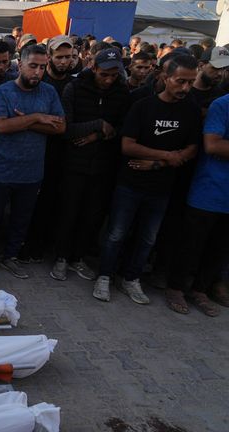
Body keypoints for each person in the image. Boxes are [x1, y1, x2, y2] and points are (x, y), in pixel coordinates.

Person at [93, 55, 200, 304]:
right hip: (130, 184)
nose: (185, 88)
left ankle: (131, 278)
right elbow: (128, 145)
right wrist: (167, 155)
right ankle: (105, 276)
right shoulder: (143, 106)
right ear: (165, 78)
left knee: (147, 238)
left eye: (190, 82)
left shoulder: (191, 110)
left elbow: (193, 148)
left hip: (162, 187)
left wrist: (158, 162)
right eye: (180, 81)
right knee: (116, 234)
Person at [0, 44, 65, 279]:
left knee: (21, 219)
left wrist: (23, 121)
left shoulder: (49, 92)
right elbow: (2, 126)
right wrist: (37, 118)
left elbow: (60, 127)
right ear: (20, 65)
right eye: (33, 66)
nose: (38, 72)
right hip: (0, 169)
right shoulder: (4, 92)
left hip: (31, 172)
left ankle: (11, 257)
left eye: (42, 67)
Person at [50, 48, 130, 282]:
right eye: (104, 74)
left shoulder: (121, 93)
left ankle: (78, 258)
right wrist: (99, 124)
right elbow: (66, 129)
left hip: (103, 166)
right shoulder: (74, 88)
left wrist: (99, 135)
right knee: (68, 213)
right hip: (74, 163)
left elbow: (123, 130)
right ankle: (62, 257)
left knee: (91, 216)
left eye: (114, 75)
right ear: (94, 68)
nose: (108, 79)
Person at [164, 92, 229, 316]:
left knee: (219, 248)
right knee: (191, 244)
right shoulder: (222, 105)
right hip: (210, 190)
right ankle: (175, 288)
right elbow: (212, 145)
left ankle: (200, 290)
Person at [19, 36, 76, 263]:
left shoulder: (72, 84)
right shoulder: (40, 85)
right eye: (59, 57)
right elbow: (12, 120)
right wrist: (40, 120)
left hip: (60, 153)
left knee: (50, 202)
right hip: (32, 153)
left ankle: (41, 245)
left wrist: (30, 121)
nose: (64, 62)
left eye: (69, 57)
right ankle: (25, 244)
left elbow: (63, 125)